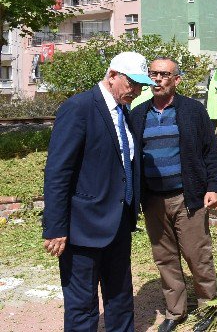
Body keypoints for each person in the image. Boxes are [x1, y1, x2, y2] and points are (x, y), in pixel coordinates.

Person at [42, 51, 154, 332]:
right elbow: (58, 171)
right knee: (82, 305)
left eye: (141, 86)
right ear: (112, 75)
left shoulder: (123, 112)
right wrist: (55, 227)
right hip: (83, 227)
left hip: (118, 222)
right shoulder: (78, 108)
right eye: (133, 83)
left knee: (120, 297)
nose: (137, 91)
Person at [129, 57, 217, 332]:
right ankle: (176, 310)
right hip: (153, 200)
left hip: (187, 197)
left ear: (176, 80)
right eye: (153, 74)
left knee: (197, 254)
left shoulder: (193, 111)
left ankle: (208, 305)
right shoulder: (138, 114)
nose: (157, 79)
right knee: (165, 257)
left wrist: (212, 187)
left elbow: (211, 153)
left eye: (164, 74)